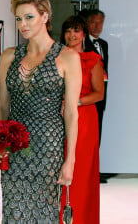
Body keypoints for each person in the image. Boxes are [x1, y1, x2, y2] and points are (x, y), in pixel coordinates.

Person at [0, 0, 82, 223]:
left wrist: (70, 160)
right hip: (15, 147)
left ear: (45, 17)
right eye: (18, 18)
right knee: (14, 210)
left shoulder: (67, 57)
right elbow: (2, 107)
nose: (23, 24)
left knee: (44, 212)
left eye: (29, 17)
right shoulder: (9, 56)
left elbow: (72, 114)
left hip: (48, 147)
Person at [60, 15, 104, 224]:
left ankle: (81, 218)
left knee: (80, 169)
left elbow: (99, 94)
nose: (72, 35)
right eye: (68, 31)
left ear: (83, 34)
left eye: (76, 30)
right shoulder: (56, 58)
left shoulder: (92, 59)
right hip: (59, 118)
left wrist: (75, 102)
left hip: (84, 119)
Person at [83, 9, 109, 183]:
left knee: (97, 134)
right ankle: (86, 172)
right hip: (86, 97)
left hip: (100, 97)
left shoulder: (105, 44)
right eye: (94, 22)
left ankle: (93, 171)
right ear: (87, 23)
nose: (98, 26)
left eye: (101, 22)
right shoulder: (82, 44)